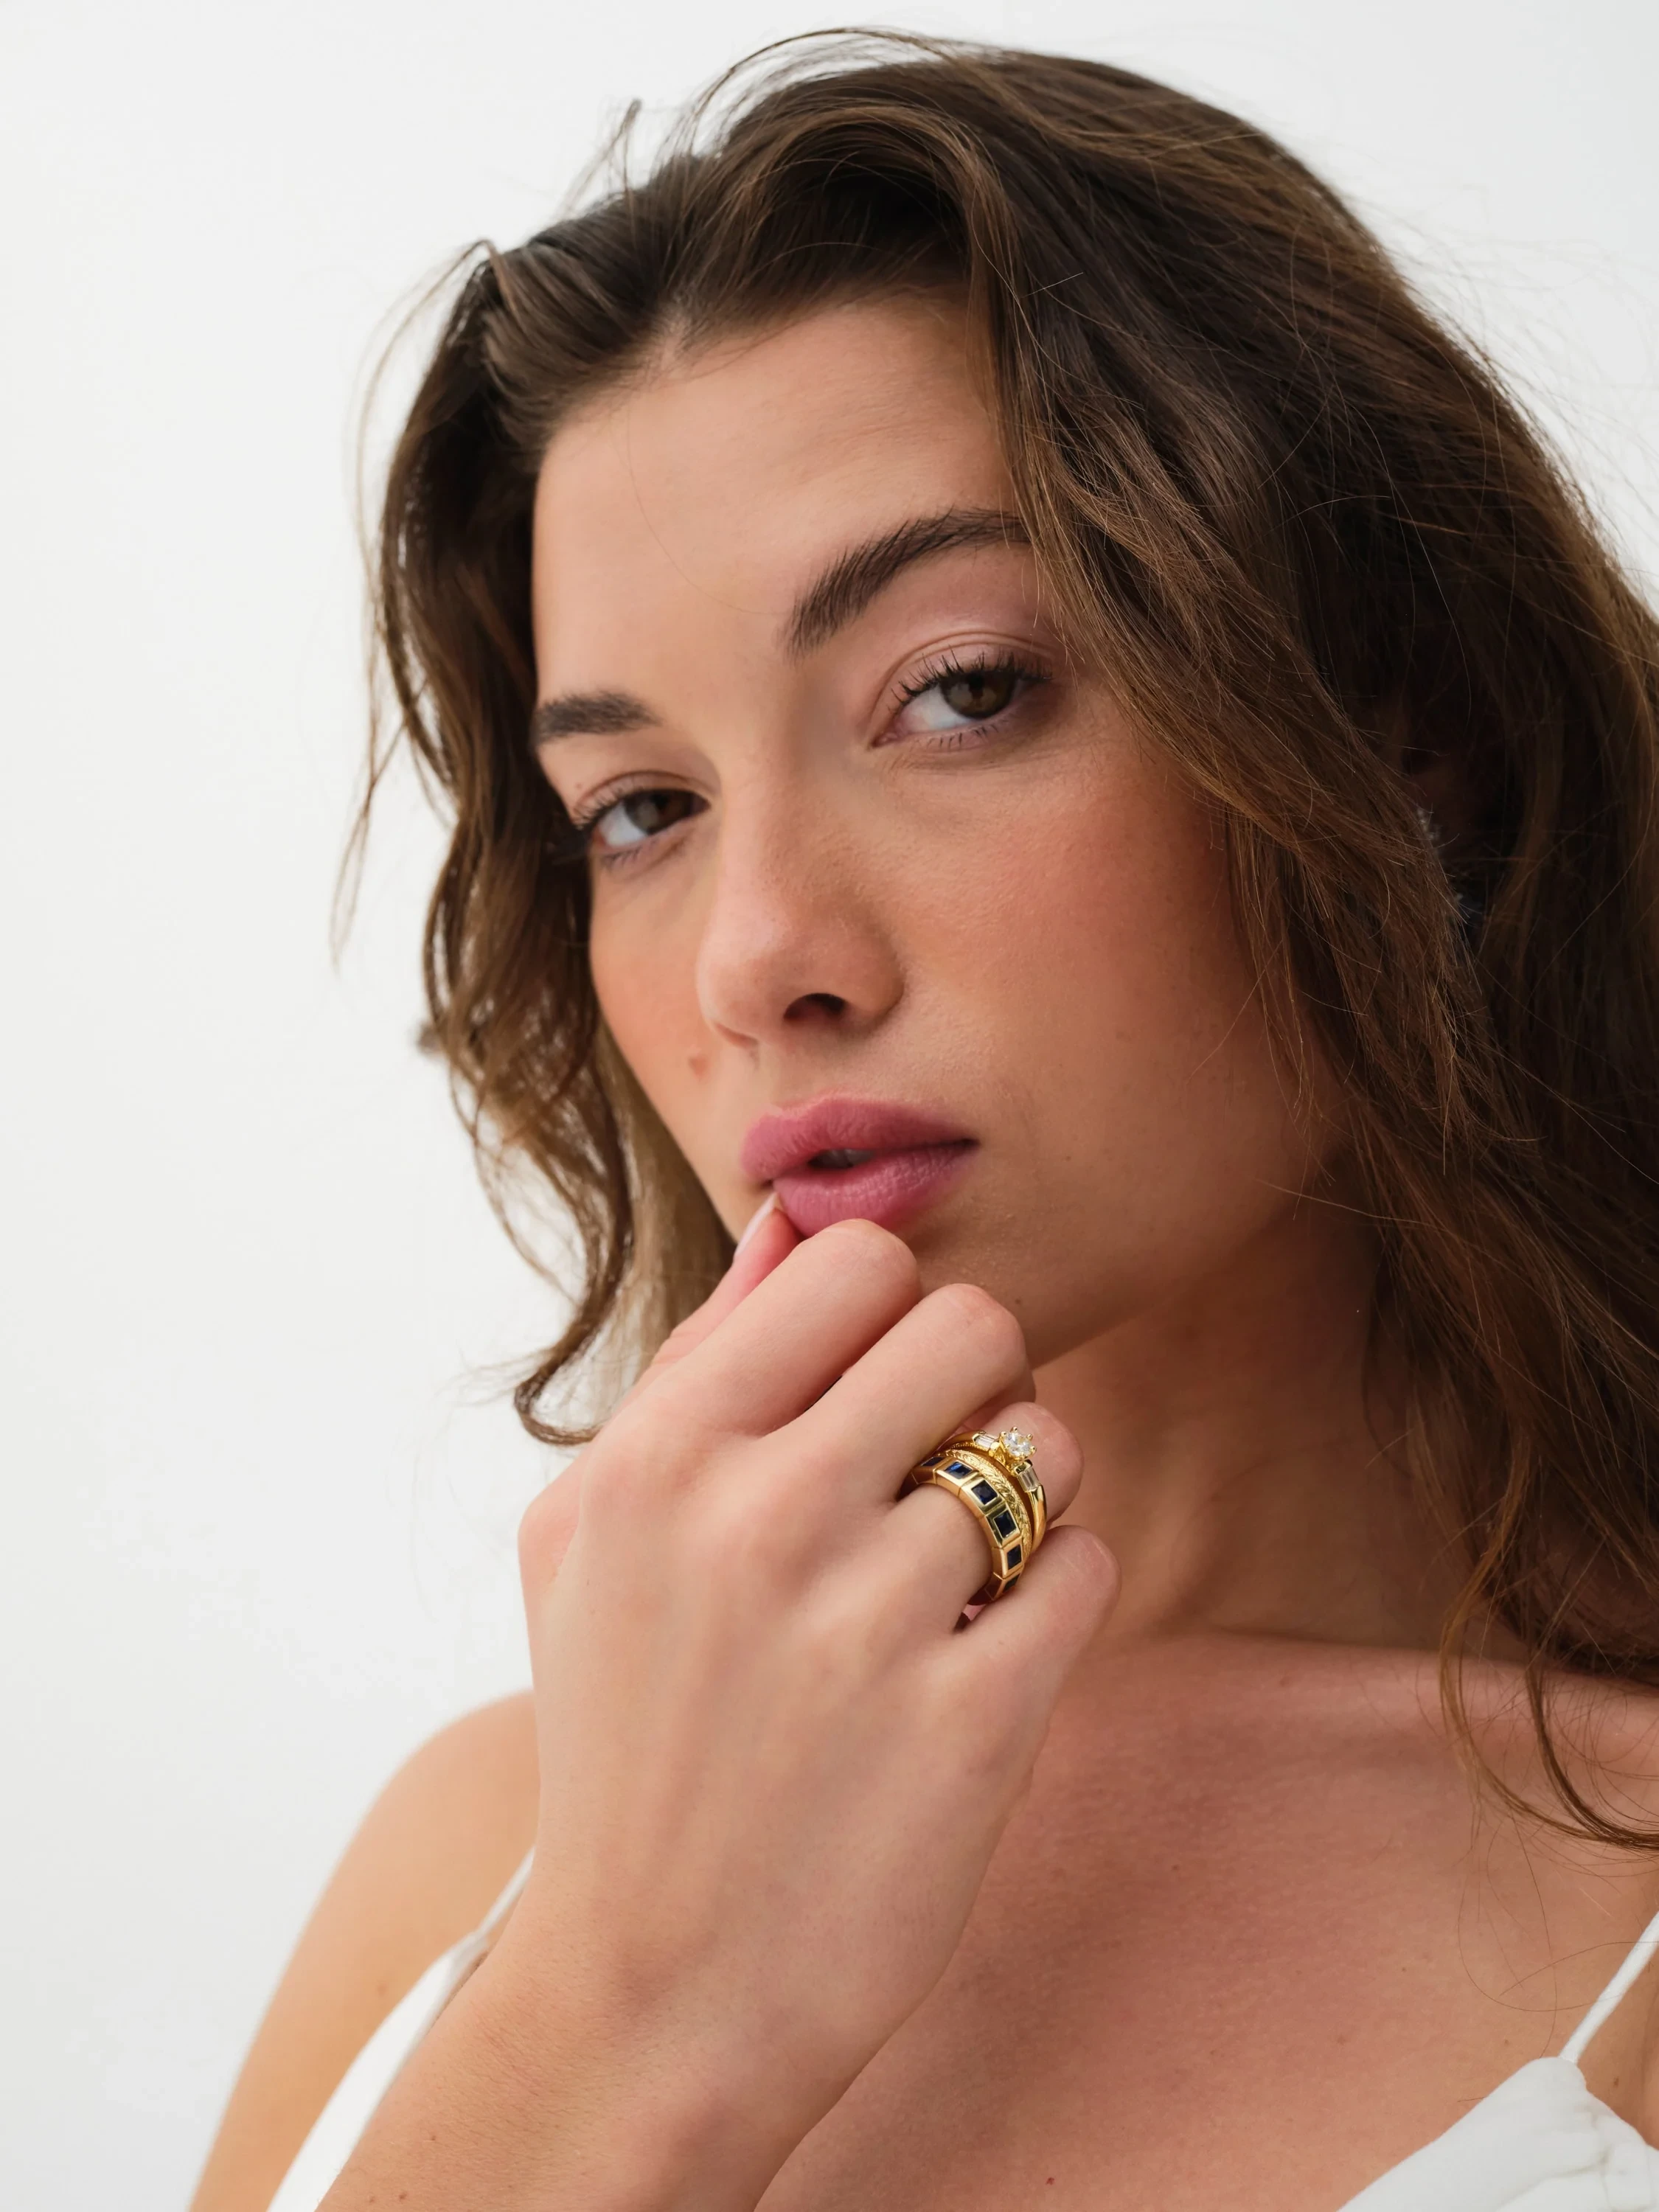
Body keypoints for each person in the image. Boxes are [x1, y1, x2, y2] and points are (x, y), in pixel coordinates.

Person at [189, 35, 1659, 2212]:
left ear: (1407, 732)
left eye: (960, 692)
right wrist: (628, 2010)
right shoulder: (493, 1856)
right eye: (642, 808)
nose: (755, 954)